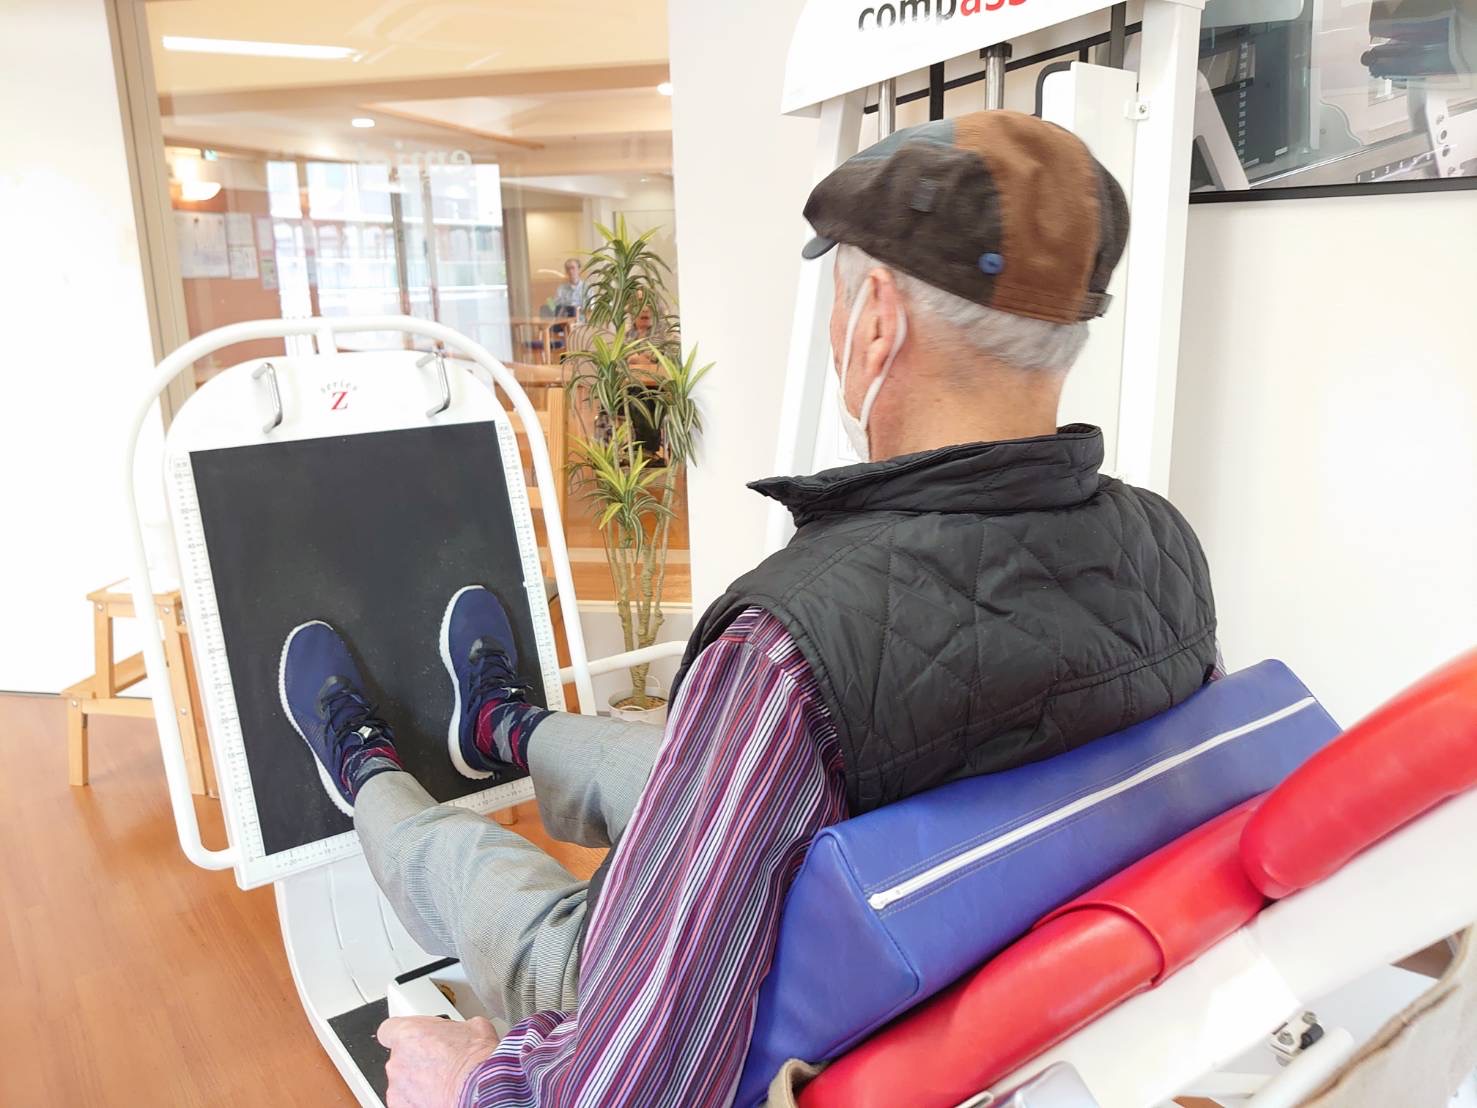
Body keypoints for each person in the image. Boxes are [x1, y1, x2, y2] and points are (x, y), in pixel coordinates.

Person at [278, 110, 1218, 1108]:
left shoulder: (788, 648)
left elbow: (629, 1088)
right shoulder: (1165, 549)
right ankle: (502, 727)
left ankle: (366, 771)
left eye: (843, 297)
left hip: (782, 997)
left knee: (469, 858)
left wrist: (471, 1079)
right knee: (666, 759)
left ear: (876, 322)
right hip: (943, 922)